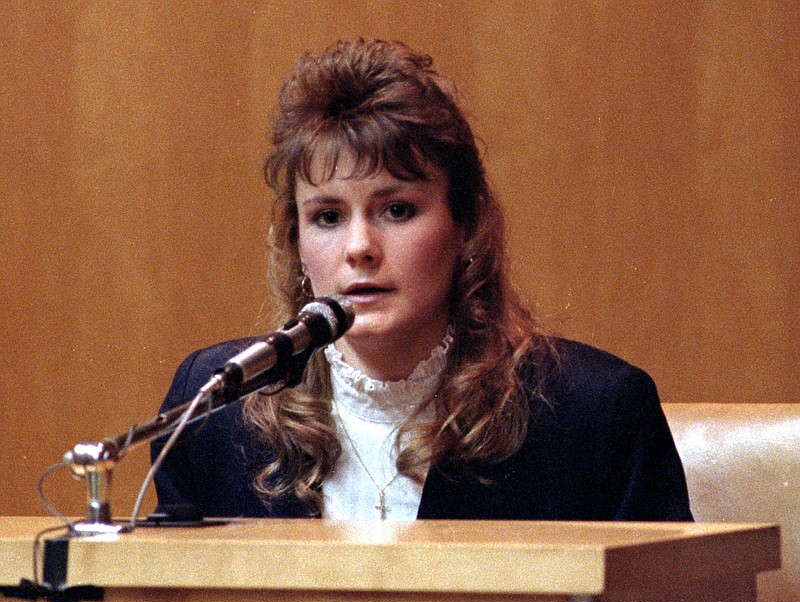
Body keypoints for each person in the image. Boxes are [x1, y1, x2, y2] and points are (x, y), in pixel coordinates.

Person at [152, 38, 692, 522]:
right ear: (295, 242)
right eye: (328, 217)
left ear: (468, 225)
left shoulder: (593, 413)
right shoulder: (216, 409)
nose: (359, 247)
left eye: (398, 210)